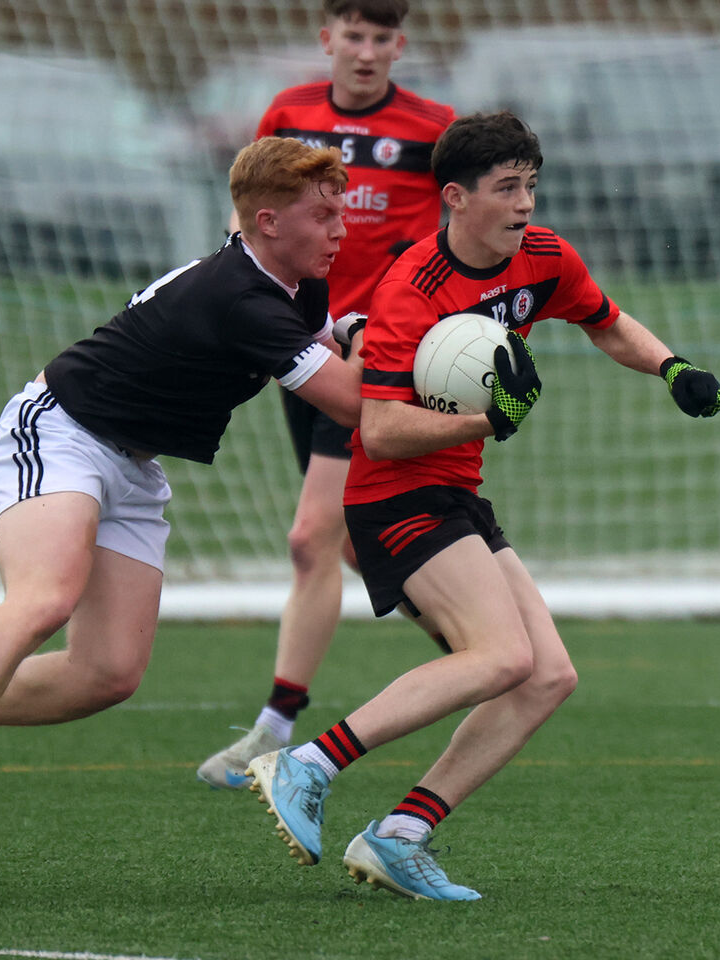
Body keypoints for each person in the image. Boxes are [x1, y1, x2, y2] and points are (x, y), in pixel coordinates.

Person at [246, 112, 720, 900]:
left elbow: (605, 323)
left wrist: (671, 369)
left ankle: (401, 834)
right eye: (508, 188)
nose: (526, 203)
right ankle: (306, 763)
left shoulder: (543, 257)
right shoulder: (412, 288)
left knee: (547, 676)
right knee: (502, 657)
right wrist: (488, 416)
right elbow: (384, 428)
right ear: (455, 199)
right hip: (394, 494)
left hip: (456, 493)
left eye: (531, 185)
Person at [0, 136, 364, 827]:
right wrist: (470, 394)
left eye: (342, 213)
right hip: (61, 431)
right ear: (267, 221)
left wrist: (384, 340)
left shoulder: (299, 287)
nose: (342, 229)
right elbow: (352, 400)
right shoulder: (239, 295)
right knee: (45, 598)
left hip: (133, 465)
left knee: (108, 673)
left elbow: (339, 351)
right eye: (324, 215)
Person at [196, 0, 456, 790]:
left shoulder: (433, 126)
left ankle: (273, 729)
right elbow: (256, 220)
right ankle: (484, 654)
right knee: (348, 543)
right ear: (328, 40)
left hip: (378, 349)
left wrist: (378, 319)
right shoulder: (290, 113)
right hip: (300, 345)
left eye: (382, 38)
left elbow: (450, 239)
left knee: (313, 536)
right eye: (355, 35)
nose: (368, 50)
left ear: (399, 45)